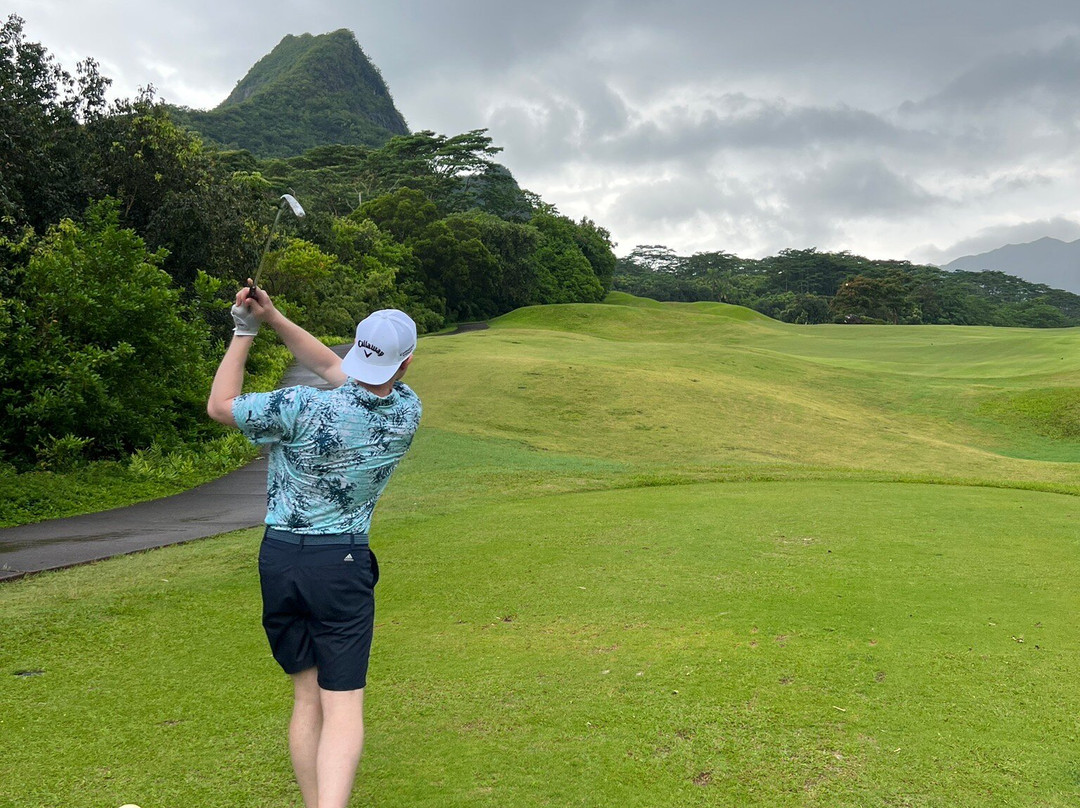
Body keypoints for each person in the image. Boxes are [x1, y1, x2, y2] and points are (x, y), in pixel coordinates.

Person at [207, 284, 422, 808]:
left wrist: (244, 331)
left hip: (280, 558)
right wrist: (275, 316)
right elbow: (336, 370)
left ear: (356, 346)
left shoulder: (298, 406)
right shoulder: (406, 412)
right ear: (406, 363)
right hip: (341, 564)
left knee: (307, 695)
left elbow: (220, 406)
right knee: (342, 704)